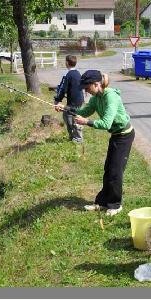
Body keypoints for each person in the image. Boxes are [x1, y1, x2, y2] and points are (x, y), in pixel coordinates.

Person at [55, 70, 135, 217]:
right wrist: (65, 108)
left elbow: (105, 123)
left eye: (87, 87)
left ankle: (116, 205)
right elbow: (84, 111)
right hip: (116, 135)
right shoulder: (96, 97)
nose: (85, 90)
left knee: (116, 172)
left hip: (124, 136)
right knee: (108, 169)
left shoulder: (111, 97)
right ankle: (102, 203)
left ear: (97, 84)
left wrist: (87, 123)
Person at [53, 55, 84, 143]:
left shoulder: (68, 75)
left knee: (69, 118)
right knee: (74, 117)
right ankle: (75, 137)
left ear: (67, 63)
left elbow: (62, 89)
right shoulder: (78, 73)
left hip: (73, 103)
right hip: (80, 101)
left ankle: (76, 138)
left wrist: (57, 100)